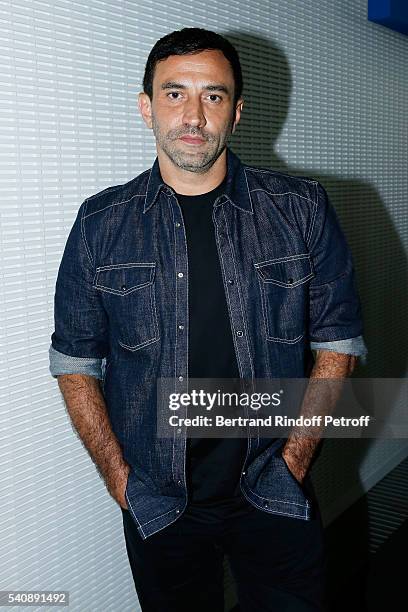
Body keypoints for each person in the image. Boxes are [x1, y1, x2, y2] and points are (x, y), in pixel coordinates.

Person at [49, 27, 367, 612]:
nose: (193, 114)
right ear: (146, 107)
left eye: (213, 96)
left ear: (237, 112)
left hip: (273, 490)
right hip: (159, 504)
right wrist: (122, 481)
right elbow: (74, 362)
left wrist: (294, 460)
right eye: (174, 94)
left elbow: (338, 341)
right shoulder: (100, 225)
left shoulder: (299, 210)